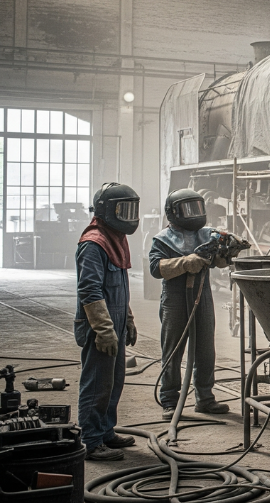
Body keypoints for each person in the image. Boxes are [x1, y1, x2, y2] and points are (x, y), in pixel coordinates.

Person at [149, 189, 233, 420]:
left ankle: (205, 399)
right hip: (175, 298)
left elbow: (214, 261)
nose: (194, 214)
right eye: (189, 209)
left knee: (205, 349)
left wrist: (223, 256)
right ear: (173, 212)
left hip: (202, 293)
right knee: (173, 350)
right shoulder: (163, 239)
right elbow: (156, 268)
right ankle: (169, 401)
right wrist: (184, 263)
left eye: (197, 208)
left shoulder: (206, 234)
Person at [76, 182, 141, 461]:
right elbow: (90, 290)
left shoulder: (116, 239)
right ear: (106, 211)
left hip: (114, 321)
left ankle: (106, 432)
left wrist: (127, 319)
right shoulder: (94, 243)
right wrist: (104, 330)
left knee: (114, 381)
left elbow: (120, 287)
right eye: (122, 210)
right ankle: (91, 441)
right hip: (98, 323)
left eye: (131, 209)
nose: (128, 216)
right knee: (97, 383)